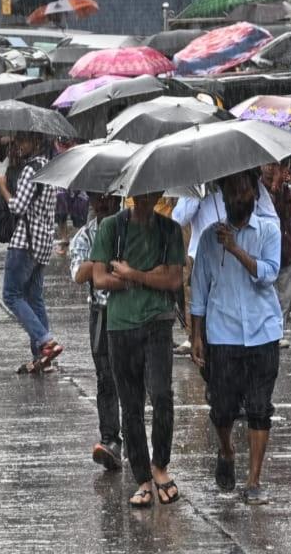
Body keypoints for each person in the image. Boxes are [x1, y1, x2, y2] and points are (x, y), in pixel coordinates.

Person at [190, 170, 283, 505]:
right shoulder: (207, 241)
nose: (238, 197)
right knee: (223, 408)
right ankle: (226, 450)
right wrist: (196, 334)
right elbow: (199, 289)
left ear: (254, 195)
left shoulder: (269, 231)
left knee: (260, 408)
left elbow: (268, 275)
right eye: (231, 191)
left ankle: (254, 480)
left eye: (244, 190)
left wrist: (236, 249)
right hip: (223, 334)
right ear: (223, 195)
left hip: (263, 331)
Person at [91, 191, 185, 508]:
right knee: (130, 406)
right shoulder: (111, 228)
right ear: (130, 194)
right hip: (120, 325)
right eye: (139, 193)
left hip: (158, 322)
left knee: (161, 394)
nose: (146, 198)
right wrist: (147, 279)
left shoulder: (168, 230)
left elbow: (173, 279)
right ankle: (142, 478)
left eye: (152, 192)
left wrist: (132, 274)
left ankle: (160, 466)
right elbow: (100, 277)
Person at [172, 184, 278, 354]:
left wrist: (249, 238)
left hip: (247, 259)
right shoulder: (197, 187)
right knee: (200, 302)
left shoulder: (252, 185)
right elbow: (178, 218)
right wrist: (197, 194)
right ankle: (197, 340)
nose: (235, 197)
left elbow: (272, 221)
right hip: (203, 255)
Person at [0, 132, 63, 374]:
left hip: (25, 242)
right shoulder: (50, 168)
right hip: (43, 243)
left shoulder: (30, 170)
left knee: (11, 295)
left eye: (22, 141)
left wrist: (2, 187)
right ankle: (43, 358)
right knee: (34, 298)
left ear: (36, 142)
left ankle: (45, 341)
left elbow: (18, 206)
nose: (18, 146)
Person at [69, 192, 123, 471]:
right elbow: (79, 275)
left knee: (133, 379)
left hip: (132, 313)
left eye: (108, 198)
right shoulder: (84, 236)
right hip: (102, 313)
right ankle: (110, 438)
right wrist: (101, 257)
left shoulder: (132, 228)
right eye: (96, 198)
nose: (102, 203)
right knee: (106, 378)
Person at [262, 161, 291, 346]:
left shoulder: (284, 190)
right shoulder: (257, 190)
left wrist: (279, 188)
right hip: (266, 252)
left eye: (273, 166)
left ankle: (279, 330)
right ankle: (271, 332)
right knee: (270, 294)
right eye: (267, 165)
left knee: (285, 296)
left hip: (285, 250)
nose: (270, 169)